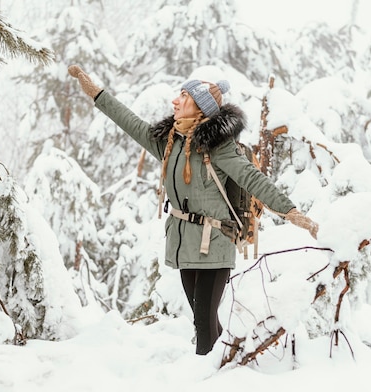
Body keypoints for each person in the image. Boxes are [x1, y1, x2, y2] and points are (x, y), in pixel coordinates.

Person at [68, 65, 319, 355]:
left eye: (183, 96)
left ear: (200, 107)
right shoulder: (169, 142)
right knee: (205, 321)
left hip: (215, 243)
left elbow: (252, 178)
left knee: (203, 325)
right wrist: (96, 92)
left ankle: (206, 384)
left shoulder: (219, 147)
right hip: (185, 245)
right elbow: (130, 122)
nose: (175, 101)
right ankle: (231, 364)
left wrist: (291, 212)